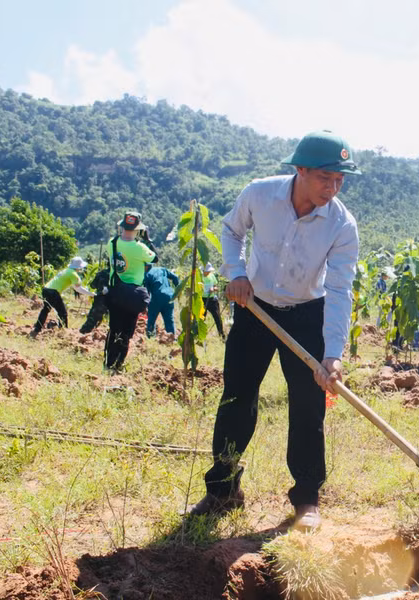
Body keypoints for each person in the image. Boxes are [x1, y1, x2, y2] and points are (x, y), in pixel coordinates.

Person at [188, 131, 360, 531]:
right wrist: (236, 273)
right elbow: (231, 232)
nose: (332, 188)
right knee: (237, 398)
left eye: (339, 180)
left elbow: (339, 290)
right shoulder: (260, 194)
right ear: (300, 170)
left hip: (307, 316)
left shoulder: (341, 224)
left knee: (308, 407)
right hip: (255, 308)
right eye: (325, 178)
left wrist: (332, 354)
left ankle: (307, 499)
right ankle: (222, 490)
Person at [104, 211, 157, 372]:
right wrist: (148, 240)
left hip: (114, 293)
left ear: (122, 226)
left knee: (114, 329)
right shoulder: (140, 248)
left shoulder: (112, 243)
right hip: (133, 295)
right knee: (126, 332)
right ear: (138, 229)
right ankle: (118, 365)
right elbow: (155, 258)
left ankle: (107, 364)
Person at [30, 257, 95, 336]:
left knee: (45, 310)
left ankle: (37, 328)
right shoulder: (73, 274)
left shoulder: (66, 270)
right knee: (62, 313)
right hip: (53, 292)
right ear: (79, 267)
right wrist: (91, 294)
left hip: (46, 289)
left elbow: (75, 287)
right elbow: (78, 289)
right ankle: (63, 331)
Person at [143, 262, 179, 338]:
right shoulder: (162, 269)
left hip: (157, 298)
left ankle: (151, 337)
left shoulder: (147, 275)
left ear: (145, 267)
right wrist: (177, 290)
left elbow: (147, 293)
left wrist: (145, 306)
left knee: (151, 319)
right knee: (169, 320)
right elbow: (175, 277)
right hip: (169, 297)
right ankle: (171, 338)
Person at [80, 264, 111, 334]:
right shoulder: (119, 275)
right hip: (114, 300)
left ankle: (84, 333)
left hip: (100, 299)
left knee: (93, 319)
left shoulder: (101, 273)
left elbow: (93, 285)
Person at [202, 263, 225, 341]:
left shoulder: (212, 276)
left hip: (212, 300)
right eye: (207, 271)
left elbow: (216, 286)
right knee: (201, 318)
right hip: (202, 300)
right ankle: (199, 336)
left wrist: (214, 289)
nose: (208, 272)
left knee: (217, 317)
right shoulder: (199, 277)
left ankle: (221, 335)